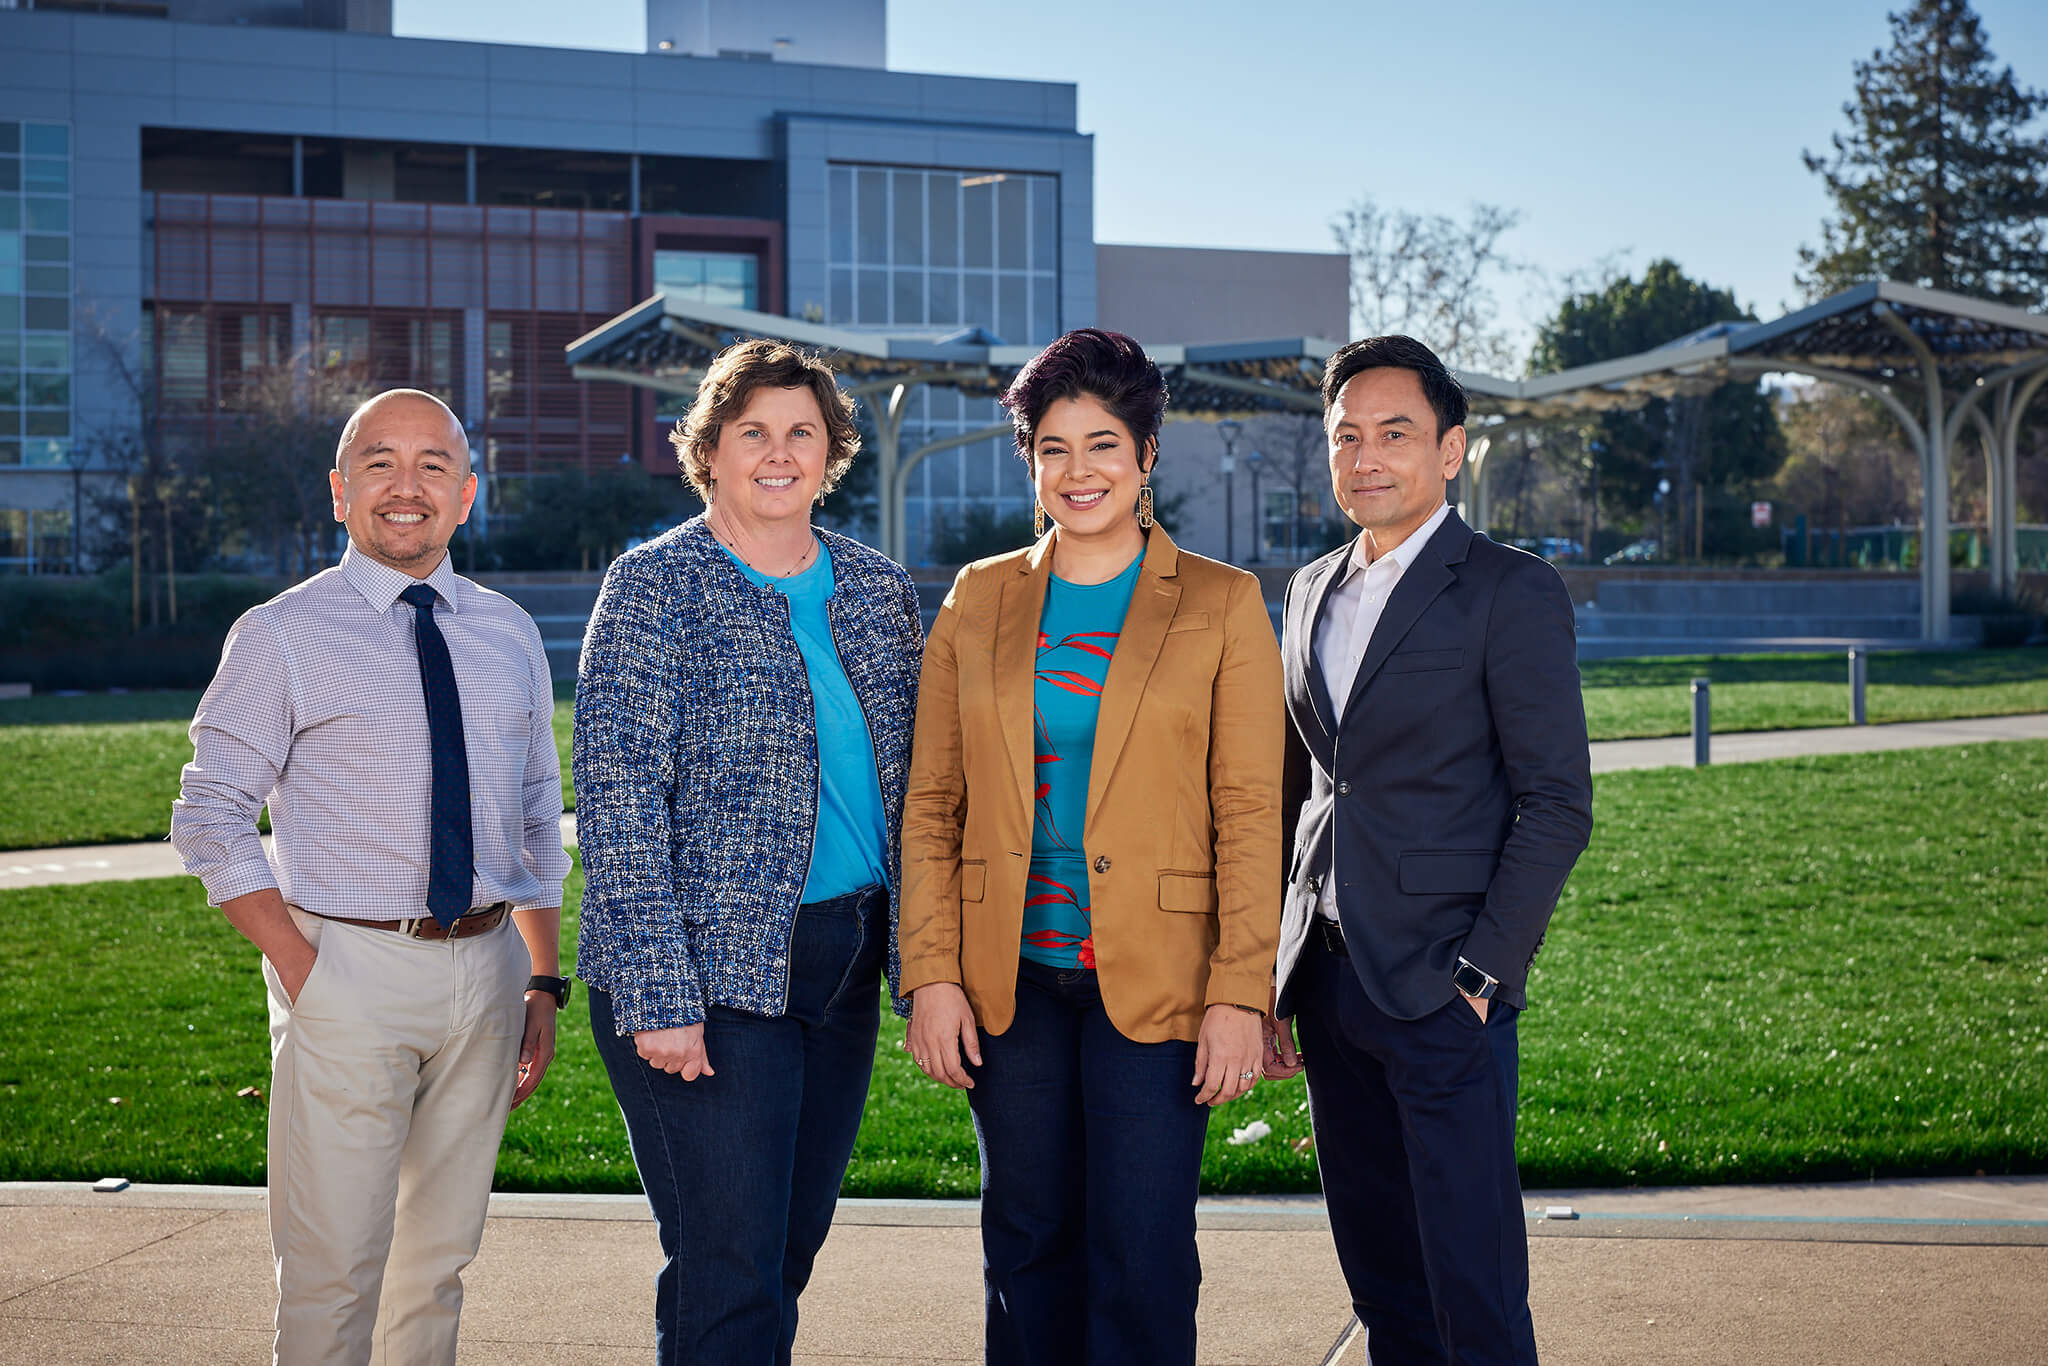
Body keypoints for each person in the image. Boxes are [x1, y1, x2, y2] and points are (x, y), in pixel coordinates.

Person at [900, 327, 1283, 1366]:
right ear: (1028, 461)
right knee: (1025, 1247)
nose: (1080, 472)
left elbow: (1253, 811)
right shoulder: (976, 599)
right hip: (1006, 983)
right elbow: (931, 802)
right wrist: (928, 974)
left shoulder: (1221, 603)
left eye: (1103, 444)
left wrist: (1239, 993)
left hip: (1159, 984)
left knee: (1142, 1254)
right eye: (1054, 448)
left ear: (1146, 456)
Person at [170, 388, 571, 1366]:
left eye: (433, 464)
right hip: (345, 966)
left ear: (467, 494)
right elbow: (210, 813)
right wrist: (305, 971)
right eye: (380, 463)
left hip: (486, 974)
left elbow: (533, 814)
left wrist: (543, 981)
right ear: (340, 492)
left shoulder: (509, 632)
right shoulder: (282, 633)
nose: (407, 485)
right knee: (333, 1267)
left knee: (433, 1266)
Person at [572, 338, 923, 1366]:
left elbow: (914, 787)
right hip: (707, 978)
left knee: (783, 1257)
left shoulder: (875, 588)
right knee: (727, 1273)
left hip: (841, 967)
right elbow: (617, 797)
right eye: (753, 433)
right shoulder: (655, 586)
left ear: (831, 452)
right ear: (709, 452)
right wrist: (658, 993)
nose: (779, 454)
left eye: (800, 433)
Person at [1265, 334, 1594, 1365]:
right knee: (1381, 1279)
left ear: (1449, 450)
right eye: (1345, 436)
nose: (1365, 456)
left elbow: (1554, 801)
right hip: (1325, 981)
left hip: (1444, 985)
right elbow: (1301, 789)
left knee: (1473, 1284)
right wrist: (1270, 978)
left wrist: (1485, 971)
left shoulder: (1508, 588)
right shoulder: (1308, 586)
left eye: (1393, 434)